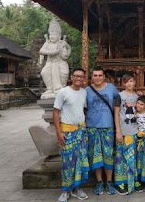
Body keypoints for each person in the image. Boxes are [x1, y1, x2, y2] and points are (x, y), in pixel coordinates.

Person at [53, 68, 89, 202]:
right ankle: (65, 190)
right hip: (67, 132)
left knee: (79, 161)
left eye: (82, 77)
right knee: (67, 162)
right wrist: (59, 132)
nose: (79, 78)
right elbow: (56, 112)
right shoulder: (63, 92)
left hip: (80, 131)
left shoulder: (84, 92)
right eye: (77, 76)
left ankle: (77, 188)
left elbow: (82, 109)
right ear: (72, 77)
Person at [85, 66, 118, 195]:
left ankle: (109, 181)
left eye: (100, 75)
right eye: (95, 75)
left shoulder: (111, 88)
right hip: (92, 127)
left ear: (104, 76)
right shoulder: (87, 90)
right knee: (95, 156)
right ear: (92, 77)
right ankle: (99, 182)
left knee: (108, 155)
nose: (98, 78)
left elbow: (119, 102)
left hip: (107, 127)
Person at [113, 74, 140, 195]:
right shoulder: (119, 96)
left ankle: (133, 180)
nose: (129, 84)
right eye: (127, 82)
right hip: (123, 131)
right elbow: (117, 113)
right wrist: (118, 130)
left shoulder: (137, 96)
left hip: (134, 130)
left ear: (134, 82)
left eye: (131, 81)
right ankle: (120, 182)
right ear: (123, 84)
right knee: (121, 158)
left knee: (133, 157)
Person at [40, 18, 71, 99]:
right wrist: (53, 52)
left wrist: (66, 53)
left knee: (64, 72)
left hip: (61, 62)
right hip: (50, 62)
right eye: (51, 35)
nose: (52, 36)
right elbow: (41, 50)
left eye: (54, 35)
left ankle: (62, 88)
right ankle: (50, 89)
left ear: (59, 36)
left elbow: (69, 48)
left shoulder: (62, 43)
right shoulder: (47, 43)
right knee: (44, 72)